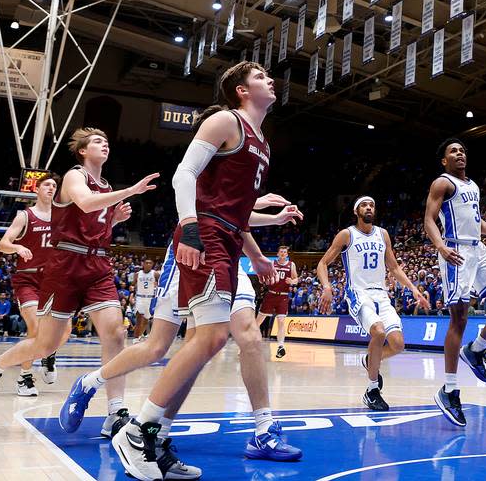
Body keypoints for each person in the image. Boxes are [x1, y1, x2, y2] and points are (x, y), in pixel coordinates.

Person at [113, 62, 300, 480]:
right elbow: (185, 174)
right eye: (260, 76)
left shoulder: (262, 142)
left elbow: (239, 211)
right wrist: (191, 229)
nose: (270, 80)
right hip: (209, 234)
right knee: (212, 336)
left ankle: (156, 436)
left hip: (230, 237)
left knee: (204, 341)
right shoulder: (225, 120)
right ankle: (138, 430)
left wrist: (275, 220)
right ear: (241, 90)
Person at [60, 192, 304, 478]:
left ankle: (263, 428)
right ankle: (91, 383)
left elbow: (235, 218)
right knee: (158, 347)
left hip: (228, 256)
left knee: (249, 336)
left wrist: (269, 220)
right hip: (191, 250)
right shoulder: (211, 153)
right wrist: (257, 221)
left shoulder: (253, 156)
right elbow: (211, 206)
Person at [0, 128, 155, 426]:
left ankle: (115, 412)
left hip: (98, 265)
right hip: (66, 264)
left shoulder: (106, 187)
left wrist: (114, 220)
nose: (104, 144)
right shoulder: (74, 176)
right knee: (46, 344)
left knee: (116, 334)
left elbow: (97, 229)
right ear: (82, 150)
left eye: (107, 141)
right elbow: (85, 203)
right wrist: (131, 190)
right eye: (97, 141)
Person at [423, 137, 486, 427]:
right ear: (444, 161)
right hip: (456, 251)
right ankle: (449, 390)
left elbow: (473, 219)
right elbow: (429, 219)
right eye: (453, 151)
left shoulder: (473, 185)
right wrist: (440, 246)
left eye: (462, 150)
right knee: (459, 318)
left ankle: (476, 349)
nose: (460, 153)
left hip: (477, 248)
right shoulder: (442, 183)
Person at [317, 195, 428, 411]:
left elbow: (394, 268)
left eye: (372, 205)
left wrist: (414, 289)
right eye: (364, 205)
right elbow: (323, 263)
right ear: (356, 211)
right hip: (358, 293)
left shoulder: (383, 234)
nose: (369, 208)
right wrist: (327, 287)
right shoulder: (347, 235)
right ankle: (372, 389)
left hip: (381, 294)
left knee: (397, 344)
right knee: (378, 332)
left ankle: (371, 361)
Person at [0, 173, 59, 395]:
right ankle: (24, 378)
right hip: (28, 279)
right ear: (37, 190)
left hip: (53, 280)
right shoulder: (24, 216)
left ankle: (48, 354)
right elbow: (2, 244)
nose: (51, 188)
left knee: (62, 331)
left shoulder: (62, 216)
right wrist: (17, 248)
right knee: (35, 328)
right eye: (47, 185)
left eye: (54, 185)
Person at [259, 245, 297, 357]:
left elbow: (296, 279)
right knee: (258, 321)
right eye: (281, 252)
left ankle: (281, 346)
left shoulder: (291, 265)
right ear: (277, 254)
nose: (283, 254)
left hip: (283, 297)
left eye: (285, 252)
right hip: (271, 295)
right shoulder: (272, 264)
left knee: (281, 321)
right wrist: (267, 280)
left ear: (287, 254)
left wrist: (292, 281)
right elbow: (264, 278)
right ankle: (246, 344)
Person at [132, 259, 160, 339]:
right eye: (146, 263)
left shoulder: (155, 274)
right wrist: (132, 287)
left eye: (150, 263)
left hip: (150, 299)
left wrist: (157, 285)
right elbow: (133, 284)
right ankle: (135, 339)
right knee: (139, 319)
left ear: (152, 264)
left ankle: (139, 336)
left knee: (145, 320)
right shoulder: (137, 274)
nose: (148, 264)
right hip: (140, 298)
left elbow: (161, 284)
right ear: (143, 264)